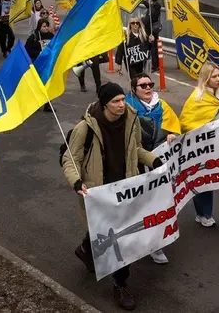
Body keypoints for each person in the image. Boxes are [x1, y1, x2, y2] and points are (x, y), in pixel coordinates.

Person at [62, 82, 161, 311]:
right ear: (105, 104)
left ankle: (119, 283)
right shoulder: (85, 128)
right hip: (99, 193)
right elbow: (71, 159)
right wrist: (76, 182)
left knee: (121, 239)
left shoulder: (131, 120)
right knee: (105, 232)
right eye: (116, 101)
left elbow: (136, 149)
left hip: (125, 190)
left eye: (123, 99)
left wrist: (154, 160)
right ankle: (90, 253)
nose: (121, 105)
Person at [179, 62, 219, 232]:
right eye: (214, 76)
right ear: (206, 78)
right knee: (205, 179)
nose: (218, 79)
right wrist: (210, 125)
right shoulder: (196, 98)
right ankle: (203, 214)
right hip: (206, 147)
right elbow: (186, 123)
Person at [125, 72, 180, 265]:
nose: (148, 88)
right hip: (135, 163)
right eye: (143, 85)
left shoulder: (161, 105)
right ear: (134, 89)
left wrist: (171, 134)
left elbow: (174, 125)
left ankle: (155, 246)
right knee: (137, 205)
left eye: (150, 84)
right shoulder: (126, 107)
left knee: (156, 204)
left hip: (157, 163)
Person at [25, 18, 55, 112]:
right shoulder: (34, 37)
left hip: (48, 64)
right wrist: (38, 53)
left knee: (47, 84)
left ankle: (47, 104)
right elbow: (27, 50)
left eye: (47, 26)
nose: (46, 28)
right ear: (39, 27)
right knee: (37, 85)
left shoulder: (51, 36)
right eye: (44, 26)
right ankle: (36, 104)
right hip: (37, 64)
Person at [141, 0, 162, 72]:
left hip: (150, 31)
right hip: (154, 30)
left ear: (151, 1)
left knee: (152, 48)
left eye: (149, 0)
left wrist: (142, 18)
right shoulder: (156, 7)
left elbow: (147, 21)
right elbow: (149, 7)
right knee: (155, 47)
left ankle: (154, 66)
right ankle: (157, 65)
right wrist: (144, 2)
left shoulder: (152, 10)